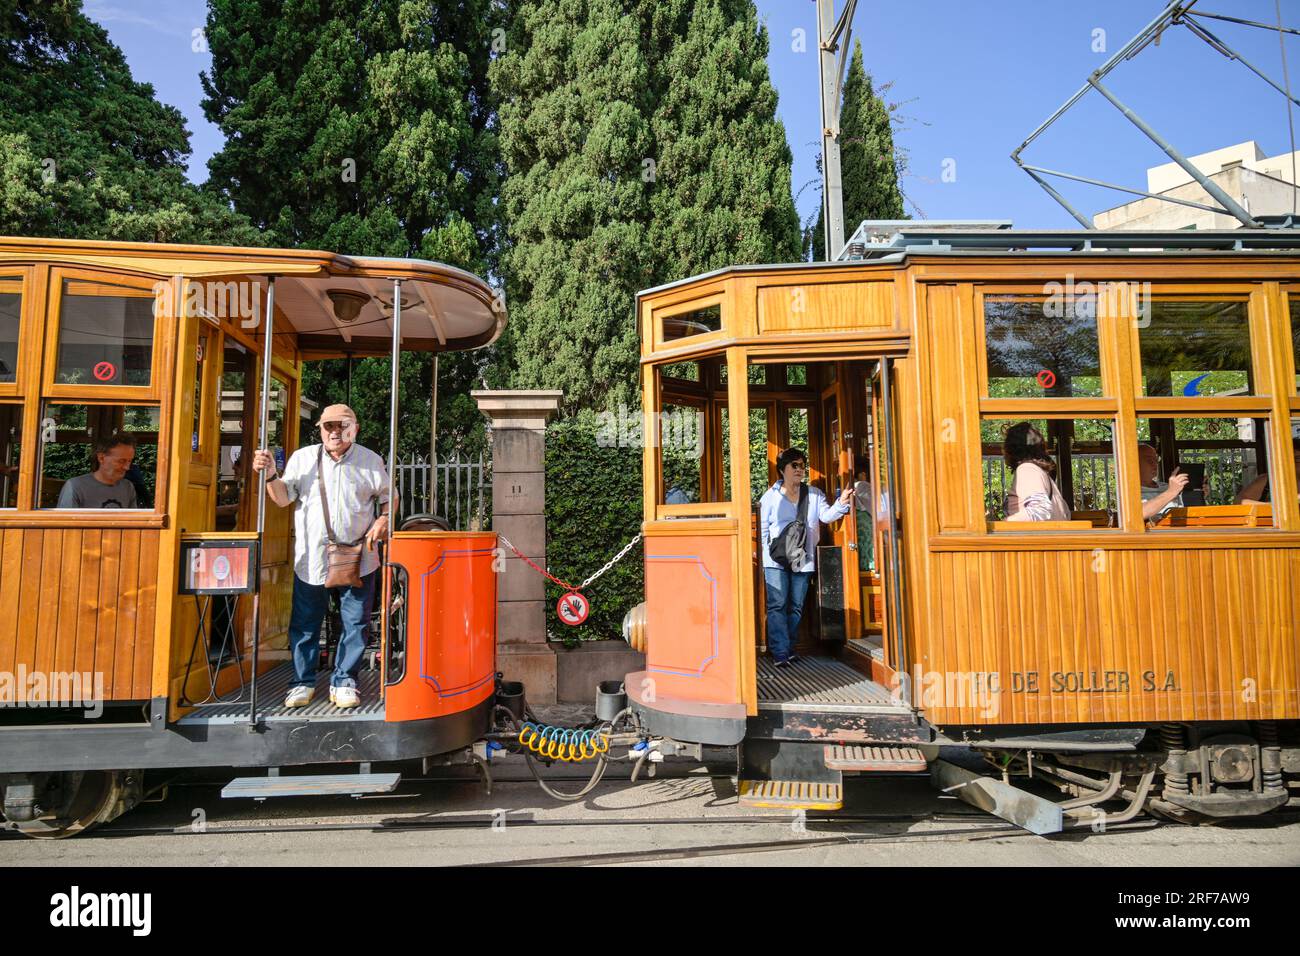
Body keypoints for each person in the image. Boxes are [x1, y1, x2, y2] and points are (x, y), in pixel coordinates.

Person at [253, 404, 390, 709]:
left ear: (354, 428)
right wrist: (270, 475)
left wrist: (383, 520)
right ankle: (302, 682)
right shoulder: (303, 458)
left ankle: (344, 680)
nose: (334, 432)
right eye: (328, 426)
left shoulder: (370, 460)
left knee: (355, 622)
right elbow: (282, 498)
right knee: (304, 623)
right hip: (311, 558)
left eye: (341, 426)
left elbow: (388, 499)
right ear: (320, 430)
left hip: (358, 558)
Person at [758, 448, 853, 667]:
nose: (800, 470)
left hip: (804, 557)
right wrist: (766, 559)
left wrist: (842, 502)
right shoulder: (770, 497)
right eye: (795, 465)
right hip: (776, 560)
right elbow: (762, 531)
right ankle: (780, 651)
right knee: (777, 605)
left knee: (796, 606)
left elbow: (826, 517)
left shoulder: (814, 494)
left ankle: (789, 647)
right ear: (783, 470)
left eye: (802, 465)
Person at [1002, 422, 1071, 522]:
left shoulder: (1027, 470)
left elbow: (1040, 511)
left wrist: (1003, 524)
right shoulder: (1039, 472)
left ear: (1011, 449)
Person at [56, 433, 139, 508]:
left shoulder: (128, 487)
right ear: (101, 458)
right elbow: (65, 523)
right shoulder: (75, 486)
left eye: (129, 461)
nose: (127, 467)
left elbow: (134, 523)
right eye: (121, 461)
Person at [1236, 436, 1300, 505]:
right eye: (1289, 458)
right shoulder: (1269, 480)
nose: (1293, 462)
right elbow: (1239, 502)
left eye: (1298, 458)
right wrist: (1273, 507)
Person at [1137, 444, 1190, 521]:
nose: (1154, 464)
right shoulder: (1130, 491)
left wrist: (1199, 494)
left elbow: (1187, 513)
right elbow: (1139, 513)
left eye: (1156, 460)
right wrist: (1171, 492)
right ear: (1134, 463)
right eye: (1149, 460)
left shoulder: (1167, 487)